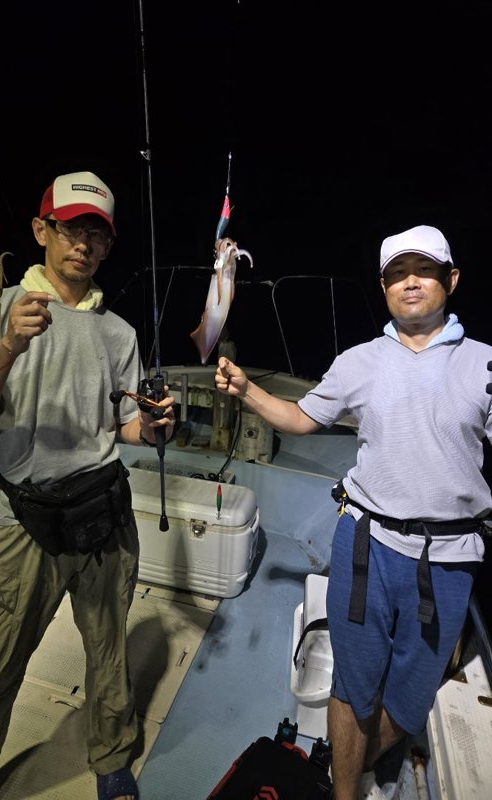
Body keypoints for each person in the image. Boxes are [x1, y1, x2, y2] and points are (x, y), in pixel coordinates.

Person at [215, 225, 492, 800]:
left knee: (412, 695)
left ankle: (344, 761)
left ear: (451, 280)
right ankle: (344, 791)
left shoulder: (484, 364)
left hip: (449, 557)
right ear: (384, 287)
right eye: (397, 274)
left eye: (424, 270)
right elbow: (302, 418)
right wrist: (245, 391)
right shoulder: (358, 361)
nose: (410, 282)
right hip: (365, 545)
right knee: (352, 681)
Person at [0, 170, 175, 800]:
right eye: (71, 228)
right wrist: (7, 348)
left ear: (108, 245)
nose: (83, 244)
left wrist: (153, 428)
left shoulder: (119, 333)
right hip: (23, 521)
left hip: (104, 513)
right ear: (41, 230)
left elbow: (120, 426)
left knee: (109, 652)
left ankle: (111, 757)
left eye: (96, 234)